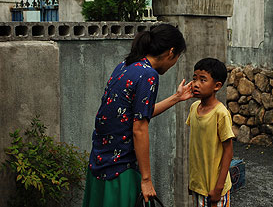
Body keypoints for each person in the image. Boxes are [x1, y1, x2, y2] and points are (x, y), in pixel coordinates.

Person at [82, 24, 193, 207]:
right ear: (171, 52)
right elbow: (139, 129)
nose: (174, 64)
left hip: (100, 160)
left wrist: (176, 97)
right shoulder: (148, 74)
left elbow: (136, 114)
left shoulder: (126, 65)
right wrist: (146, 179)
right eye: (177, 58)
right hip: (121, 168)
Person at [186, 58, 234, 207]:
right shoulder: (194, 107)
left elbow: (228, 150)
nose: (196, 84)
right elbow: (197, 148)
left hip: (215, 187)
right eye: (194, 79)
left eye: (202, 80)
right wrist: (193, 182)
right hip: (198, 185)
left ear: (217, 86)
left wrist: (219, 187)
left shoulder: (221, 113)